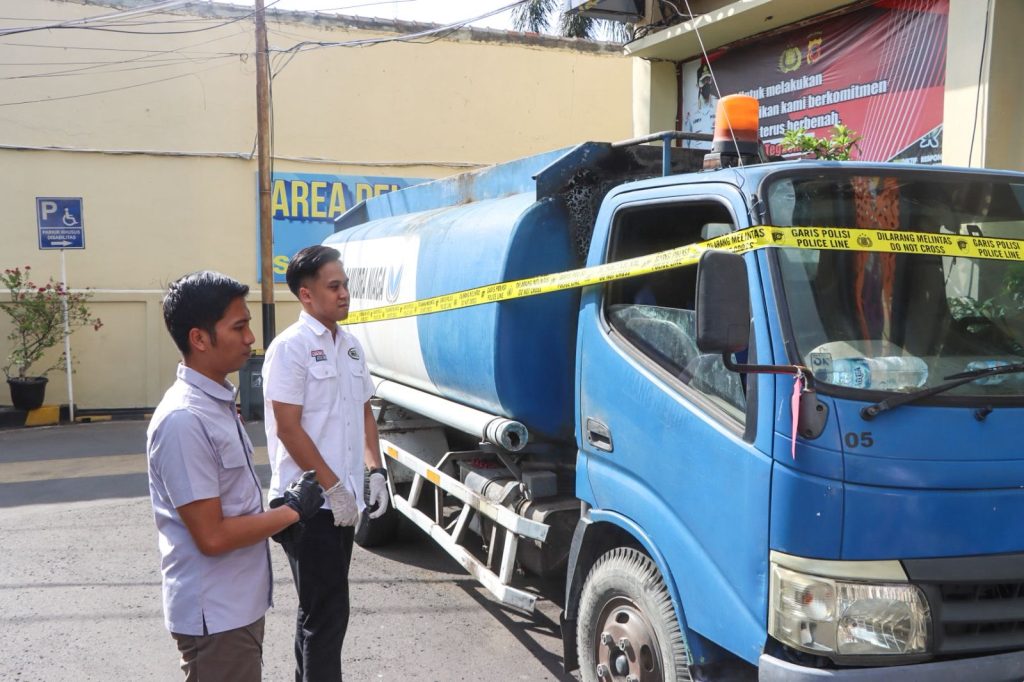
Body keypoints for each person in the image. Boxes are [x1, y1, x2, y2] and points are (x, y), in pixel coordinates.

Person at [147, 270, 324, 682]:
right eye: (238, 326)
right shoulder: (185, 420)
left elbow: (233, 505)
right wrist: (292, 511)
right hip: (217, 615)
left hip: (235, 606)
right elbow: (212, 537)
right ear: (200, 338)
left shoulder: (217, 403)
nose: (250, 338)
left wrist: (278, 515)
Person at [263, 245, 389, 681]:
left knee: (317, 610)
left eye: (345, 285)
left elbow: (364, 410)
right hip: (307, 505)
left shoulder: (350, 346)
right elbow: (288, 427)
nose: (344, 294)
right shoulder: (290, 349)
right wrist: (333, 488)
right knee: (329, 613)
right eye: (333, 286)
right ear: (306, 295)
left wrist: (375, 471)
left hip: (345, 501)